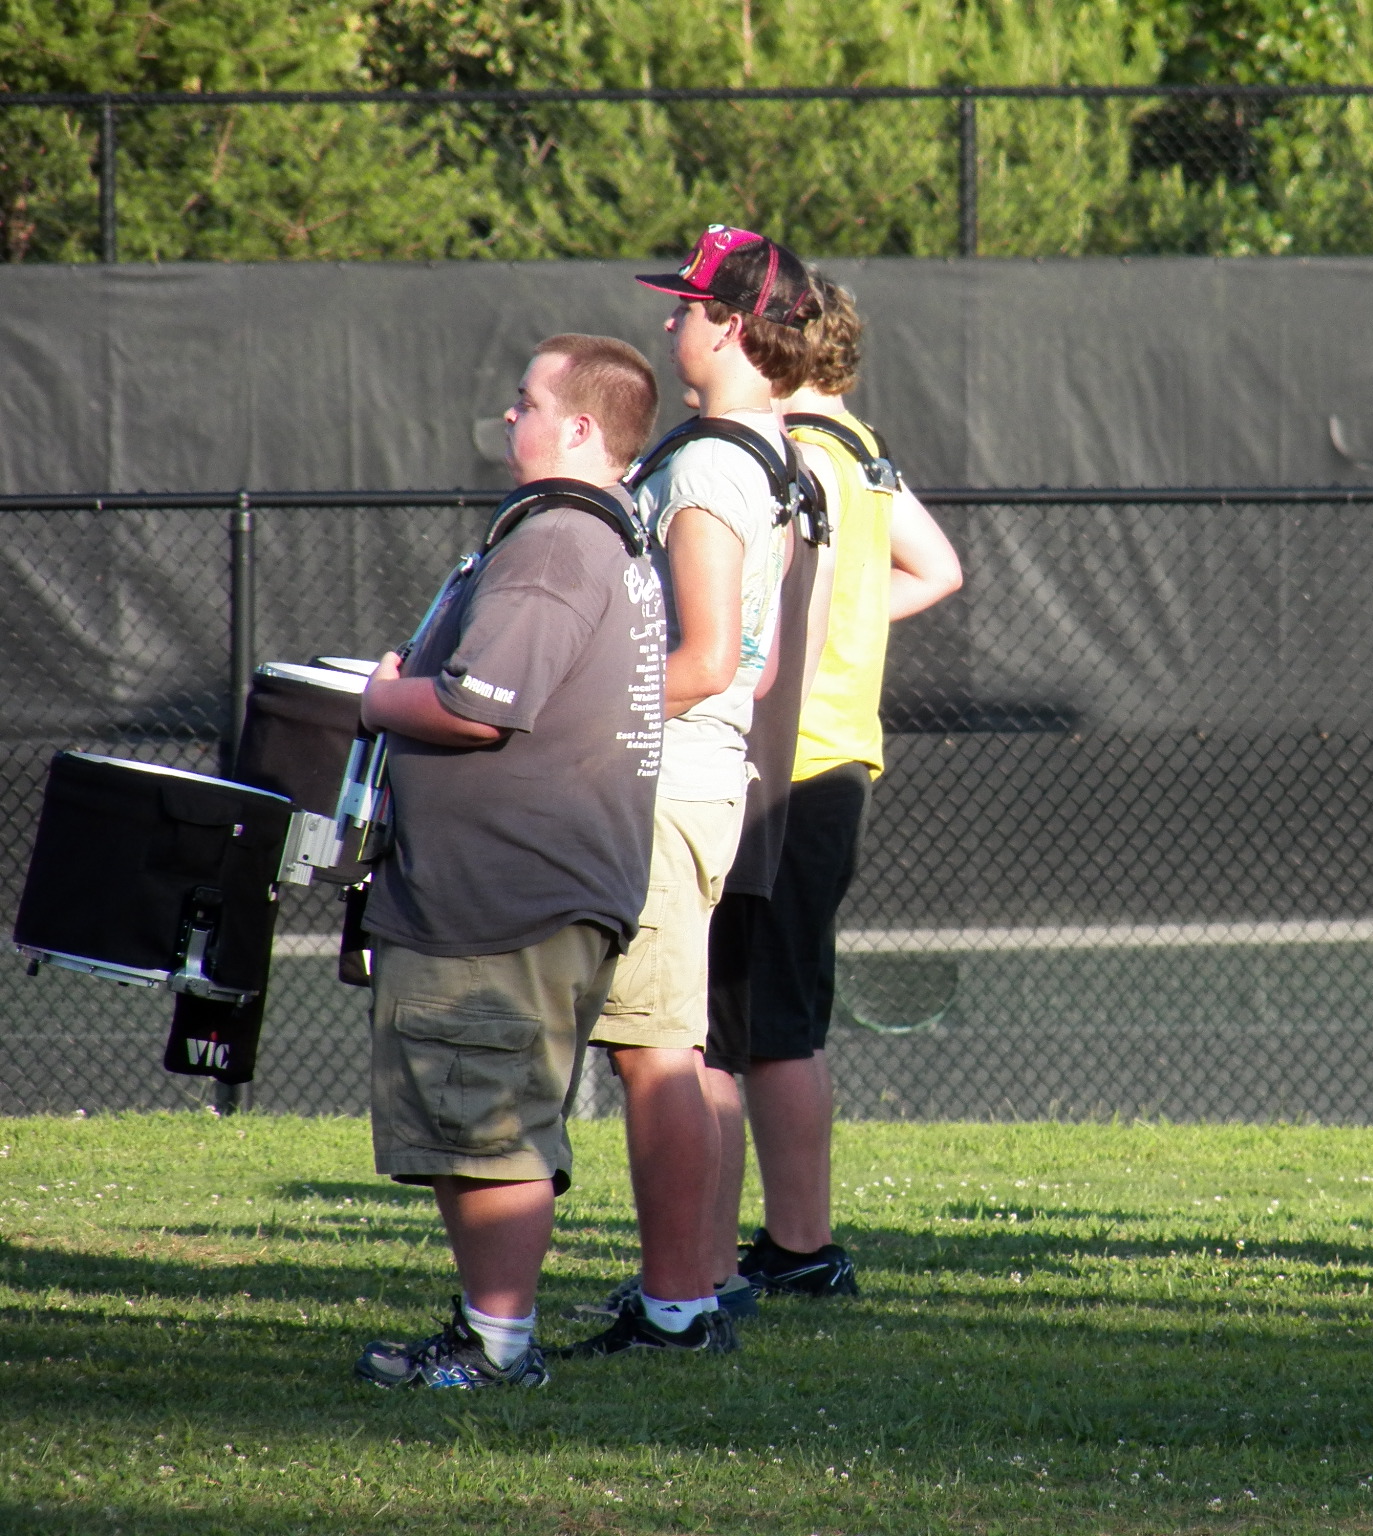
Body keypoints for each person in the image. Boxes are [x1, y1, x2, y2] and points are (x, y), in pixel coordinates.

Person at [351, 334, 665, 1389]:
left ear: (578, 427)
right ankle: (487, 1333)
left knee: (488, 1122)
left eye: (525, 400)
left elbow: (479, 708)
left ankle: (497, 1348)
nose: (507, 416)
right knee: (466, 1120)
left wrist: (373, 695)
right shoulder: (590, 536)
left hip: (508, 897)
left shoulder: (558, 539)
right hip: (521, 890)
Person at [569, 225, 821, 1358]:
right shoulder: (759, 448)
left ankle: (678, 1306)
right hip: (704, 773)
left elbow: (714, 658)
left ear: (729, 323)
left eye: (683, 307)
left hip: (673, 778)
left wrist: (567, 726)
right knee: (679, 1044)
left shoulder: (716, 462)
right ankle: (694, 1283)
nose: (667, 321)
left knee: (654, 1052)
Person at [707, 274, 962, 1299]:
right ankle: (794, 1247)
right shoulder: (862, 450)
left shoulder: (795, 453)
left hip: (786, 758)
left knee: (745, 1024)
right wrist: (850, 627)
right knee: (786, 1013)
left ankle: (780, 1252)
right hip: (839, 753)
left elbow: (772, 614)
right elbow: (936, 568)